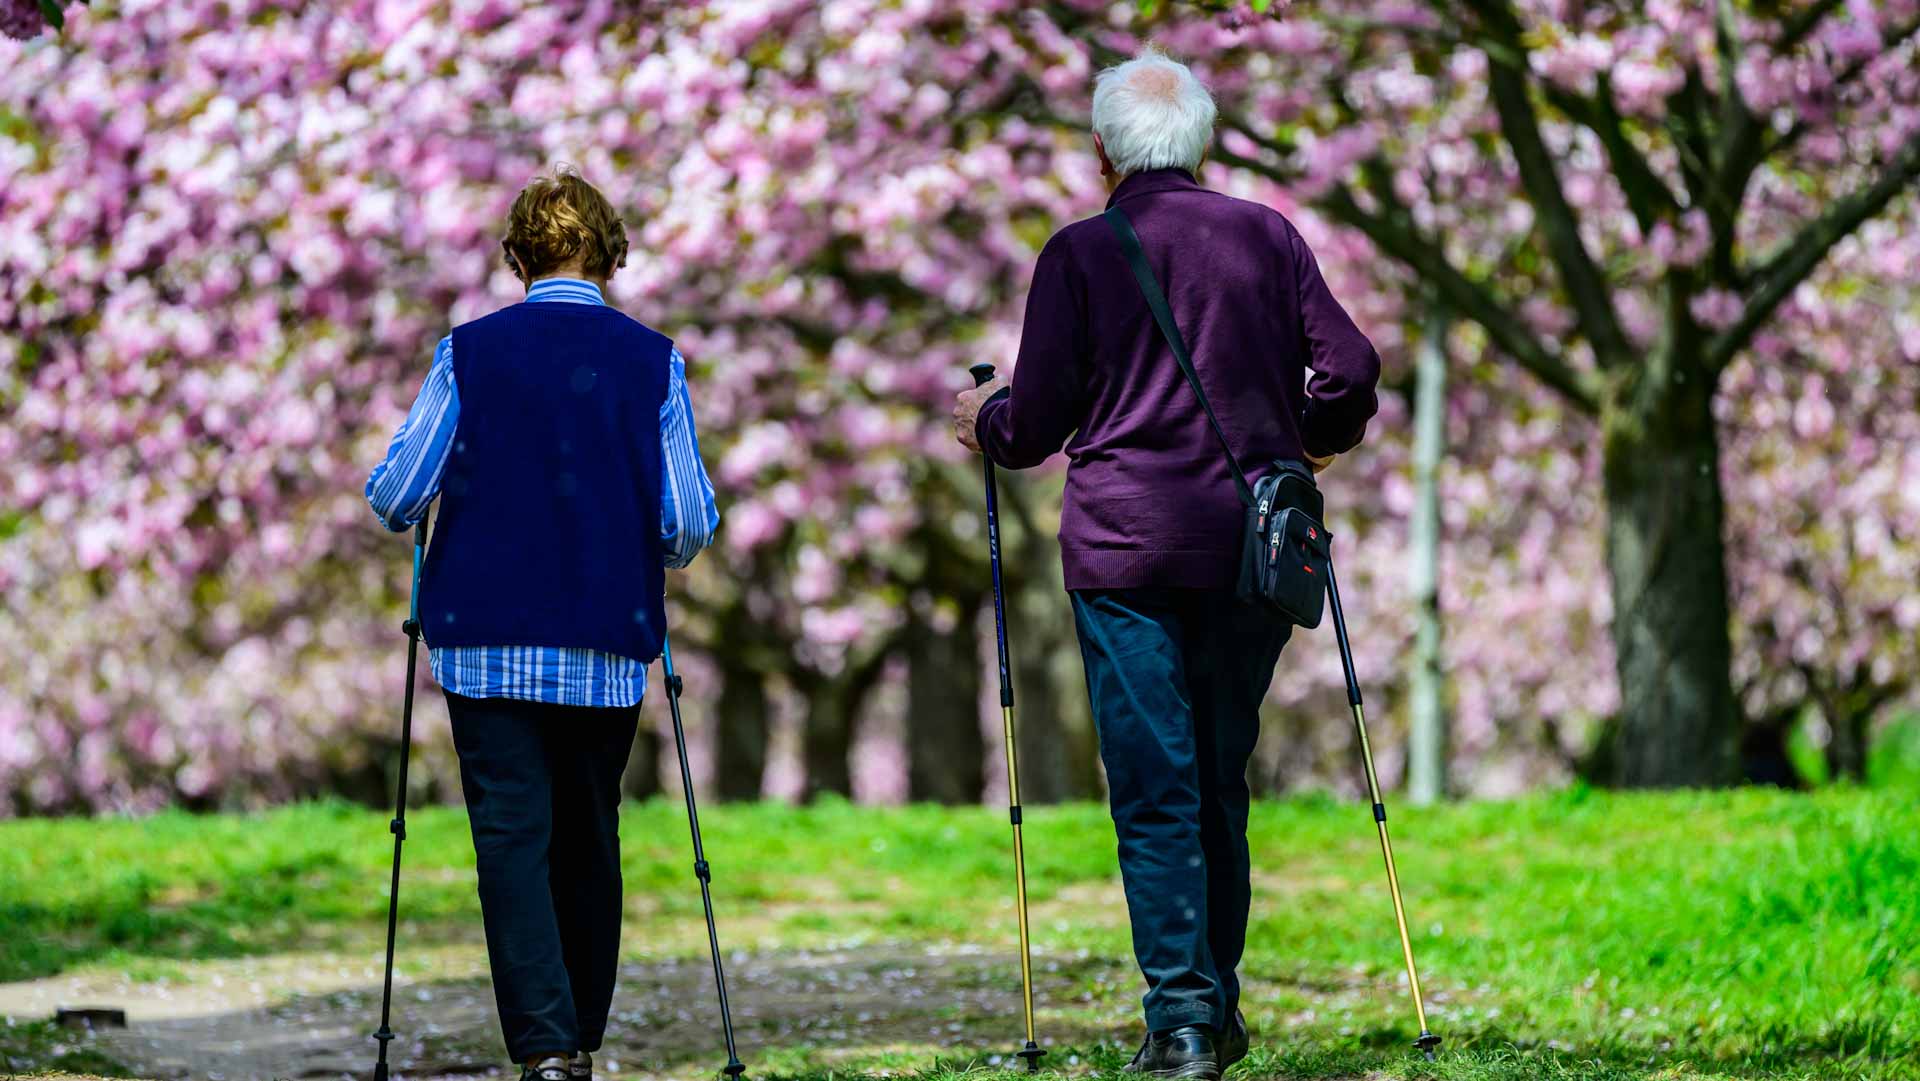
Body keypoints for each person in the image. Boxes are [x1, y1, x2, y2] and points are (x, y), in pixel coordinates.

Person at [951, 51, 1381, 1079]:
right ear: (1202, 142)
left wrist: (988, 421)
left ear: (1102, 152)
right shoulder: (1267, 236)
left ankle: (1183, 1022)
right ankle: (1214, 1009)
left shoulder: (1081, 253)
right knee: (1219, 777)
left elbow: (1040, 420)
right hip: (1248, 549)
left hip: (1125, 550)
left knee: (1155, 784)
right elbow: (1353, 368)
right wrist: (1308, 437)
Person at [365, 166, 719, 1081]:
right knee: (589, 836)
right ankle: (583, 1032)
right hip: (605, 638)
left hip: (483, 642)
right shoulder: (654, 359)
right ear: (610, 253)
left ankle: (548, 1048)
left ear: (517, 255)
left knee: (511, 842)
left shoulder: (468, 353)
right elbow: (685, 521)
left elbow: (401, 494)